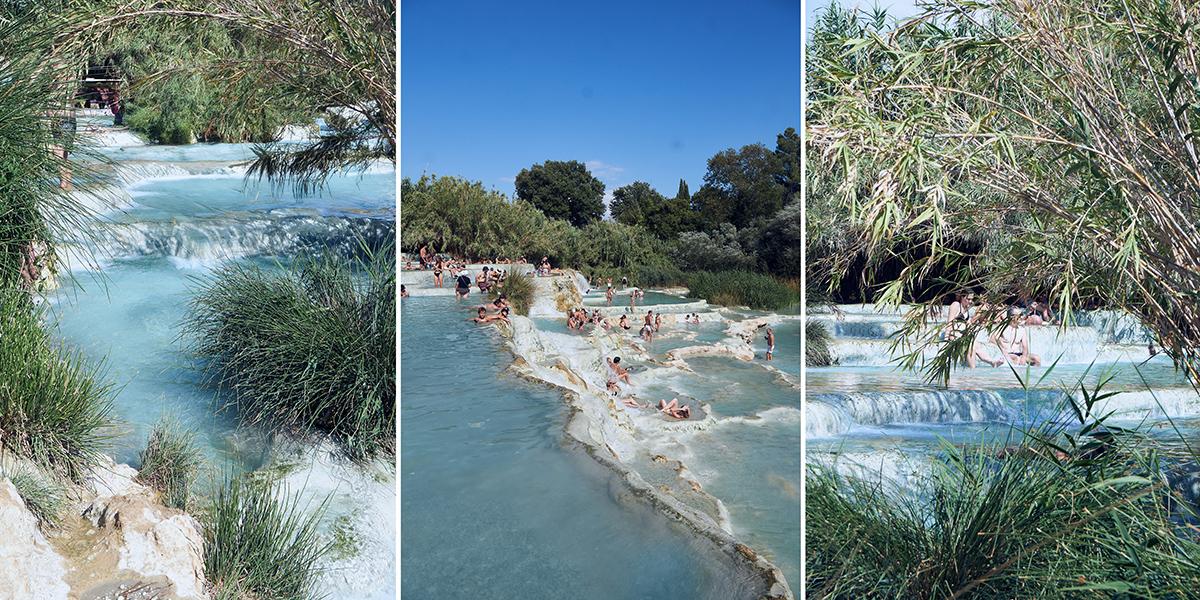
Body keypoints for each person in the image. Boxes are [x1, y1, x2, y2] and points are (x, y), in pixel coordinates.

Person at [946, 291, 1001, 368]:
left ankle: (991, 362)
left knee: (976, 345)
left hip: (964, 335)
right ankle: (973, 368)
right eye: (968, 299)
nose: (970, 301)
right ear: (962, 297)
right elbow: (949, 322)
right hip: (956, 335)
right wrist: (947, 338)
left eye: (971, 299)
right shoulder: (956, 305)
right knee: (971, 345)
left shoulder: (966, 308)